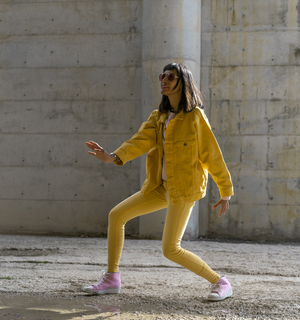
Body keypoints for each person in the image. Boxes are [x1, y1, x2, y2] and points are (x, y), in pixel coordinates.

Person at [84, 63, 234, 301]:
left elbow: (211, 155)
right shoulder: (159, 117)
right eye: (161, 75)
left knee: (170, 249)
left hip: (183, 190)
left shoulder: (195, 116)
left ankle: (221, 282)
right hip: (160, 187)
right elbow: (139, 141)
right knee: (116, 215)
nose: (163, 80)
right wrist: (113, 157)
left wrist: (225, 191)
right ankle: (112, 278)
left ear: (182, 82)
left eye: (170, 76)